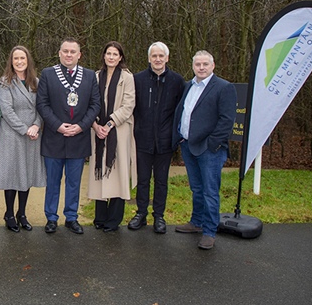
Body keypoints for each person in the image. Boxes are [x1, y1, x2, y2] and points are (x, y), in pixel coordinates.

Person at [172, 50, 236, 250]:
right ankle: (197, 222)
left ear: (213, 65)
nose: (201, 68)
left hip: (210, 150)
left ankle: (209, 231)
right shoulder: (188, 85)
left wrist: (212, 144)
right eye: (197, 64)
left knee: (210, 191)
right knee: (196, 188)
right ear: (193, 66)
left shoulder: (224, 87)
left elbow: (226, 120)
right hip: (188, 145)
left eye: (205, 64)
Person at [36, 37, 100, 234]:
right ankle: (51, 218)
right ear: (59, 53)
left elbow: (95, 105)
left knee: (74, 182)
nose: (69, 55)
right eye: (65, 51)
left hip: (78, 138)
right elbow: (42, 104)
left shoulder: (89, 76)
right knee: (53, 182)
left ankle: (71, 218)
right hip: (54, 137)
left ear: (79, 54)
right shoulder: (48, 74)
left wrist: (81, 126)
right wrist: (57, 125)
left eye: (73, 52)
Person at [129, 42, 185, 234]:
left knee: (161, 180)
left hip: (165, 141)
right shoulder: (138, 80)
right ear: (149, 58)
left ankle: (159, 216)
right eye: (154, 56)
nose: (158, 59)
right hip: (142, 139)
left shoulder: (178, 81)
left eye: (161, 56)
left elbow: (182, 111)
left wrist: (176, 136)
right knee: (142, 179)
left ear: (167, 58)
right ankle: (141, 213)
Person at [0, 46, 46, 232]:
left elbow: (42, 106)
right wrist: (25, 129)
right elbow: (6, 111)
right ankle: (9, 214)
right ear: (11, 61)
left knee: (27, 174)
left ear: (28, 60)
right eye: (15, 58)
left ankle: (21, 214)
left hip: (33, 134)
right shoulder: (5, 82)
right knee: (13, 175)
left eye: (22, 58)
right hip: (13, 135)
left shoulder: (36, 82)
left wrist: (37, 125)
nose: (19, 61)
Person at [88, 41, 136, 232]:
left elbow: (129, 105)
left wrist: (109, 124)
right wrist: (95, 124)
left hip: (119, 131)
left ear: (121, 57)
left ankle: (113, 220)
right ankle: (100, 218)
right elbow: (90, 102)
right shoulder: (95, 76)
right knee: (99, 172)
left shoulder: (127, 77)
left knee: (117, 174)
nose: (111, 57)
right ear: (104, 56)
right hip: (97, 130)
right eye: (108, 53)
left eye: (115, 54)